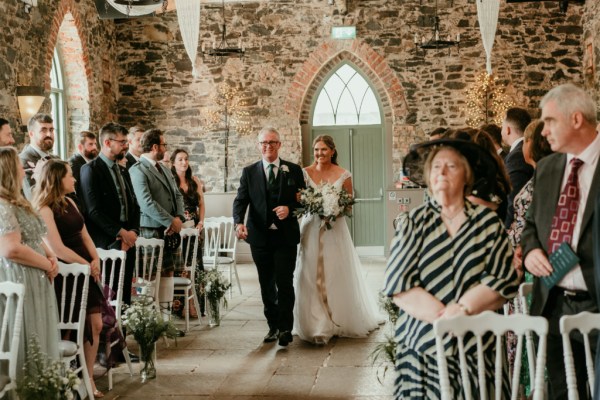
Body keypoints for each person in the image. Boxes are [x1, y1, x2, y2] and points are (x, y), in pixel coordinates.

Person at [383, 139, 518, 398]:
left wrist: (464, 308)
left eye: (451, 166)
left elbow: (504, 279)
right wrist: (445, 318)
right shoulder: (414, 223)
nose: (441, 172)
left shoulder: (487, 223)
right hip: (422, 349)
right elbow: (398, 283)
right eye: (435, 167)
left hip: (477, 348)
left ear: (467, 175)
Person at [522, 83, 600, 400]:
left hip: (596, 301)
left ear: (576, 119)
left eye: (550, 121)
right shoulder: (549, 167)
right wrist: (530, 252)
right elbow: (530, 225)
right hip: (552, 301)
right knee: (561, 392)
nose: (543, 132)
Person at [293, 135, 381, 344]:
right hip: (311, 228)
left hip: (334, 230)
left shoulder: (344, 175)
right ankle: (313, 322)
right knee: (309, 271)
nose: (319, 154)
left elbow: (349, 205)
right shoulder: (304, 173)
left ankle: (339, 318)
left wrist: (332, 212)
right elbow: (299, 199)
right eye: (316, 150)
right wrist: (313, 206)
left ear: (332, 151)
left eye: (323, 150)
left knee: (335, 271)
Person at [32, 159, 106, 398]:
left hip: (86, 268)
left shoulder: (71, 202)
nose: (74, 178)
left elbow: (85, 235)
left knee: (96, 324)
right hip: (67, 274)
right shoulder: (44, 208)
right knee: (68, 329)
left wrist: (96, 259)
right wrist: (86, 265)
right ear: (57, 179)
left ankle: (89, 378)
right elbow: (58, 248)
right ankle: (65, 380)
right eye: (69, 175)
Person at [232, 127, 305, 347]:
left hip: (285, 237)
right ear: (258, 146)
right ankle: (272, 326)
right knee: (266, 283)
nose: (267, 147)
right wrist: (238, 222)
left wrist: (289, 208)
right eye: (263, 143)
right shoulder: (249, 172)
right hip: (260, 238)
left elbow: (303, 200)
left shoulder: (293, 170)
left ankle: (285, 328)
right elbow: (240, 201)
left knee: (284, 281)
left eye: (272, 143)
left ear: (279, 145)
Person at [0, 147, 60, 383]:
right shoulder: (2, 206)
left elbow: (33, 236)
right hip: (19, 277)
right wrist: (46, 263)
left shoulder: (17, 200)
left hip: (34, 276)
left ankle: (42, 388)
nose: (23, 172)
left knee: (39, 335)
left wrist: (50, 256)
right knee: (25, 338)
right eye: (18, 166)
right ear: (7, 171)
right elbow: (10, 248)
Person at [129, 128, 185, 336]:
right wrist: (170, 220)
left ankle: (166, 322)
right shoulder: (138, 170)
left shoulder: (164, 168)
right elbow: (146, 202)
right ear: (154, 147)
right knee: (148, 276)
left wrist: (178, 219)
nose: (165, 148)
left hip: (170, 230)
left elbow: (177, 194)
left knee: (168, 272)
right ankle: (148, 322)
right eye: (164, 145)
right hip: (151, 231)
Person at [80, 122, 140, 307]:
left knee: (125, 297)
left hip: (128, 241)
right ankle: (110, 335)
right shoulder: (90, 170)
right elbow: (93, 211)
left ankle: (125, 333)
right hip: (106, 242)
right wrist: (121, 233)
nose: (125, 145)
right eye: (121, 142)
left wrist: (133, 232)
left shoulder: (122, 170)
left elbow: (134, 204)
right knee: (108, 296)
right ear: (107, 142)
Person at [171, 148, 205, 316]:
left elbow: (202, 205)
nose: (184, 162)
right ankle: (182, 306)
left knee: (195, 267)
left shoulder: (194, 181)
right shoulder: (170, 181)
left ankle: (195, 305)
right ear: (173, 163)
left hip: (194, 230)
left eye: (186, 159)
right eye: (180, 159)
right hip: (179, 232)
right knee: (181, 268)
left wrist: (201, 223)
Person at [501, 107, 534, 228]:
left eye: (502, 126)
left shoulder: (516, 156)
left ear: (508, 129)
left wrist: (507, 228)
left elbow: (513, 196)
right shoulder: (519, 151)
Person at [19, 113, 59, 200]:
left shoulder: (56, 159)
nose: (49, 134)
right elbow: (32, 195)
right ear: (31, 134)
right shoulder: (23, 160)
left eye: (51, 130)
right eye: (43, 130)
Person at [68, 130, 99, 197]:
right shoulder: (73, 164)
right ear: (80, 147)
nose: (95, 147)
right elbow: (74, 192)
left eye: (95, 144)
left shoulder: (92, 162)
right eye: (90, 144)